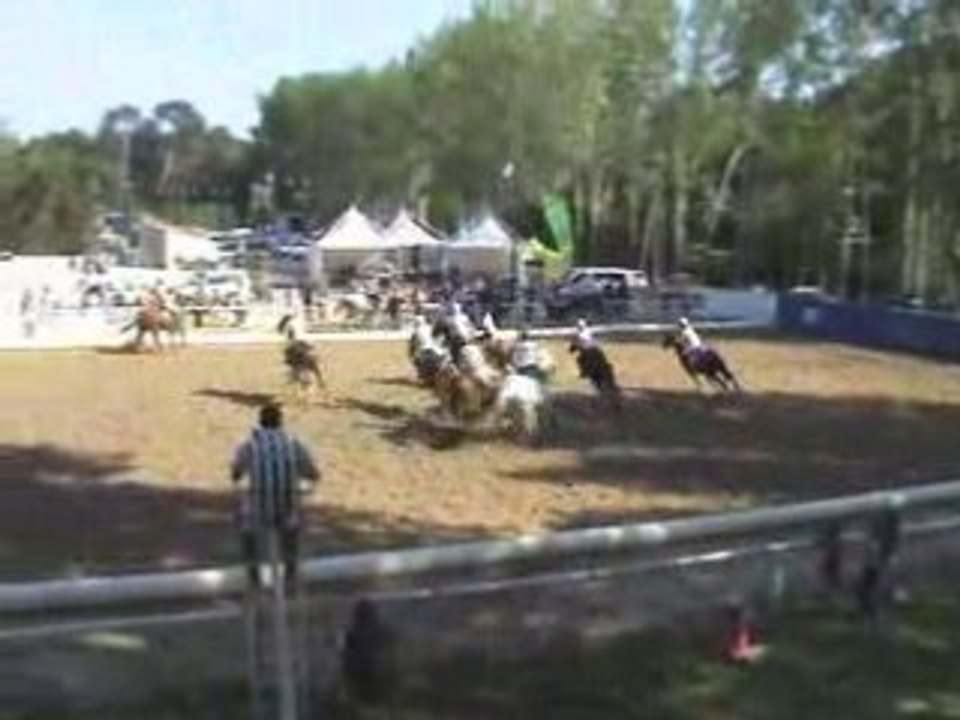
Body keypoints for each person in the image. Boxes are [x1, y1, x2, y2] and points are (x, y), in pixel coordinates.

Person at [230, 404, 321, 591]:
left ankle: (254, 575)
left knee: (245, 527)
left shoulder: (250, 445)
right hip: (288, 508)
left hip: (260, 508)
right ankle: (290, 572)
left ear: (260, 423)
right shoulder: (293, 444)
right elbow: (312, 474)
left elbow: (237, 474)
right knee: (293, 527)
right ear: (280, 422)